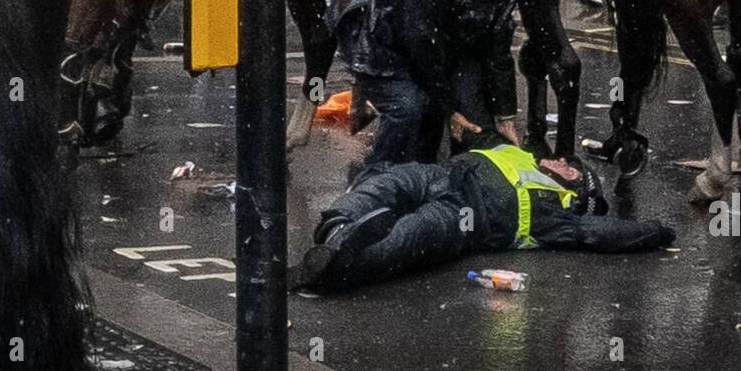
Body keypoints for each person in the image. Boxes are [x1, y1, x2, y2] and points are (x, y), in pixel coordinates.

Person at [290, 142, 677, 292]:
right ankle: (338, 229)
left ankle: (342, 267)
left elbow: (603, 233)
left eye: (571, 170)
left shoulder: (561, 212)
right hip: (441, 174)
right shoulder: (521, 155)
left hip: (464, 216)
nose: (561, 161)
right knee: (386, 183)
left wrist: (656, 232)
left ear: (576, 190)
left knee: (413, 236)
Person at [329, 0, 539, 165]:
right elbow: (423, 47)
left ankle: (429, 171)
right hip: (373, 27)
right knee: (408, 106)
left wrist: (504, 113)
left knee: (463, 108)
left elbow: (497, 42)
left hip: (437, 30)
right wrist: (449, 109)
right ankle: (375, 175)